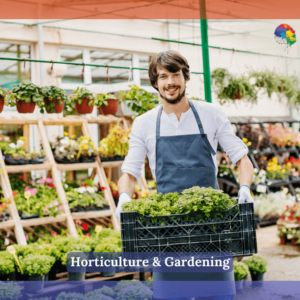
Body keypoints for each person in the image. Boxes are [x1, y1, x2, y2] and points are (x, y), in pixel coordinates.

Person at [116, 50, 254, 299]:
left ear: (185, 77)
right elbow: (130, 170)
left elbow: (242, 158)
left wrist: (244, 187)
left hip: (212, 230)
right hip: (168, 233)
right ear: (155, 83)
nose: (170, 82)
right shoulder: (145, 123)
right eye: (163, 76)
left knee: (218, 295)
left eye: (175, 74)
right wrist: (124, 196)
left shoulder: (211, 114)